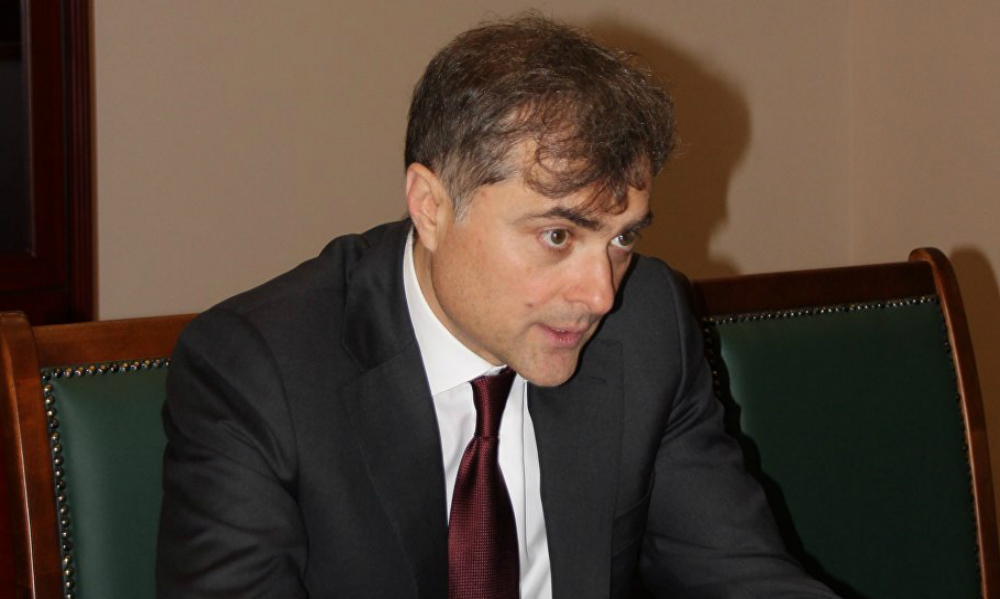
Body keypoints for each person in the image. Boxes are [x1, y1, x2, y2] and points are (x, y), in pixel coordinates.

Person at [157, 14, 839, 599]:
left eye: (622, 238)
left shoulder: (647, 321)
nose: (600, 294)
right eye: (557, 235)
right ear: (430, 207)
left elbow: (743, 576)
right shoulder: (260, 371)